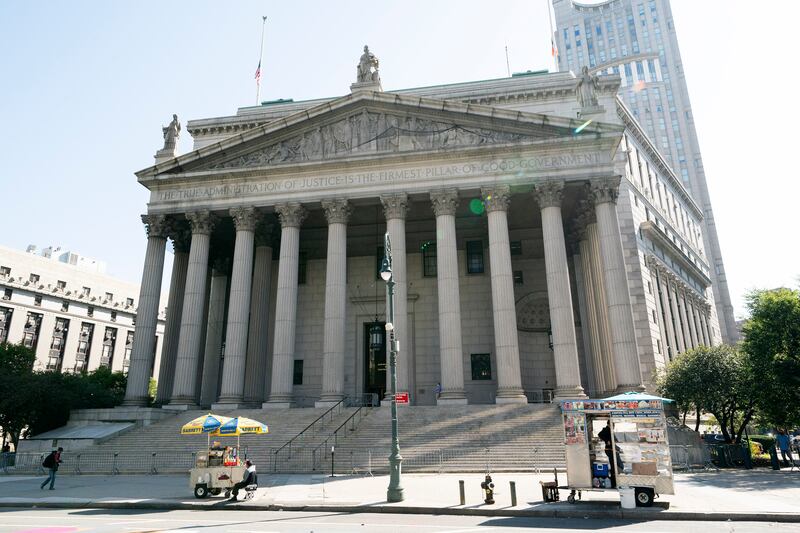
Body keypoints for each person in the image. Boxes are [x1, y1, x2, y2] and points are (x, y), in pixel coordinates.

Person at [598, 421, 617, 487]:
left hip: (611, 449)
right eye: (613, 424)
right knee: (613, 466)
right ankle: (613, 482)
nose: (614, 426)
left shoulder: (610, 430)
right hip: (609, 450)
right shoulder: (606, 429)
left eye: (614, 425)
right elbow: (600, 434)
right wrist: (606, 441)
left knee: (614, 466)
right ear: (609, 424)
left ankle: (614, 481)